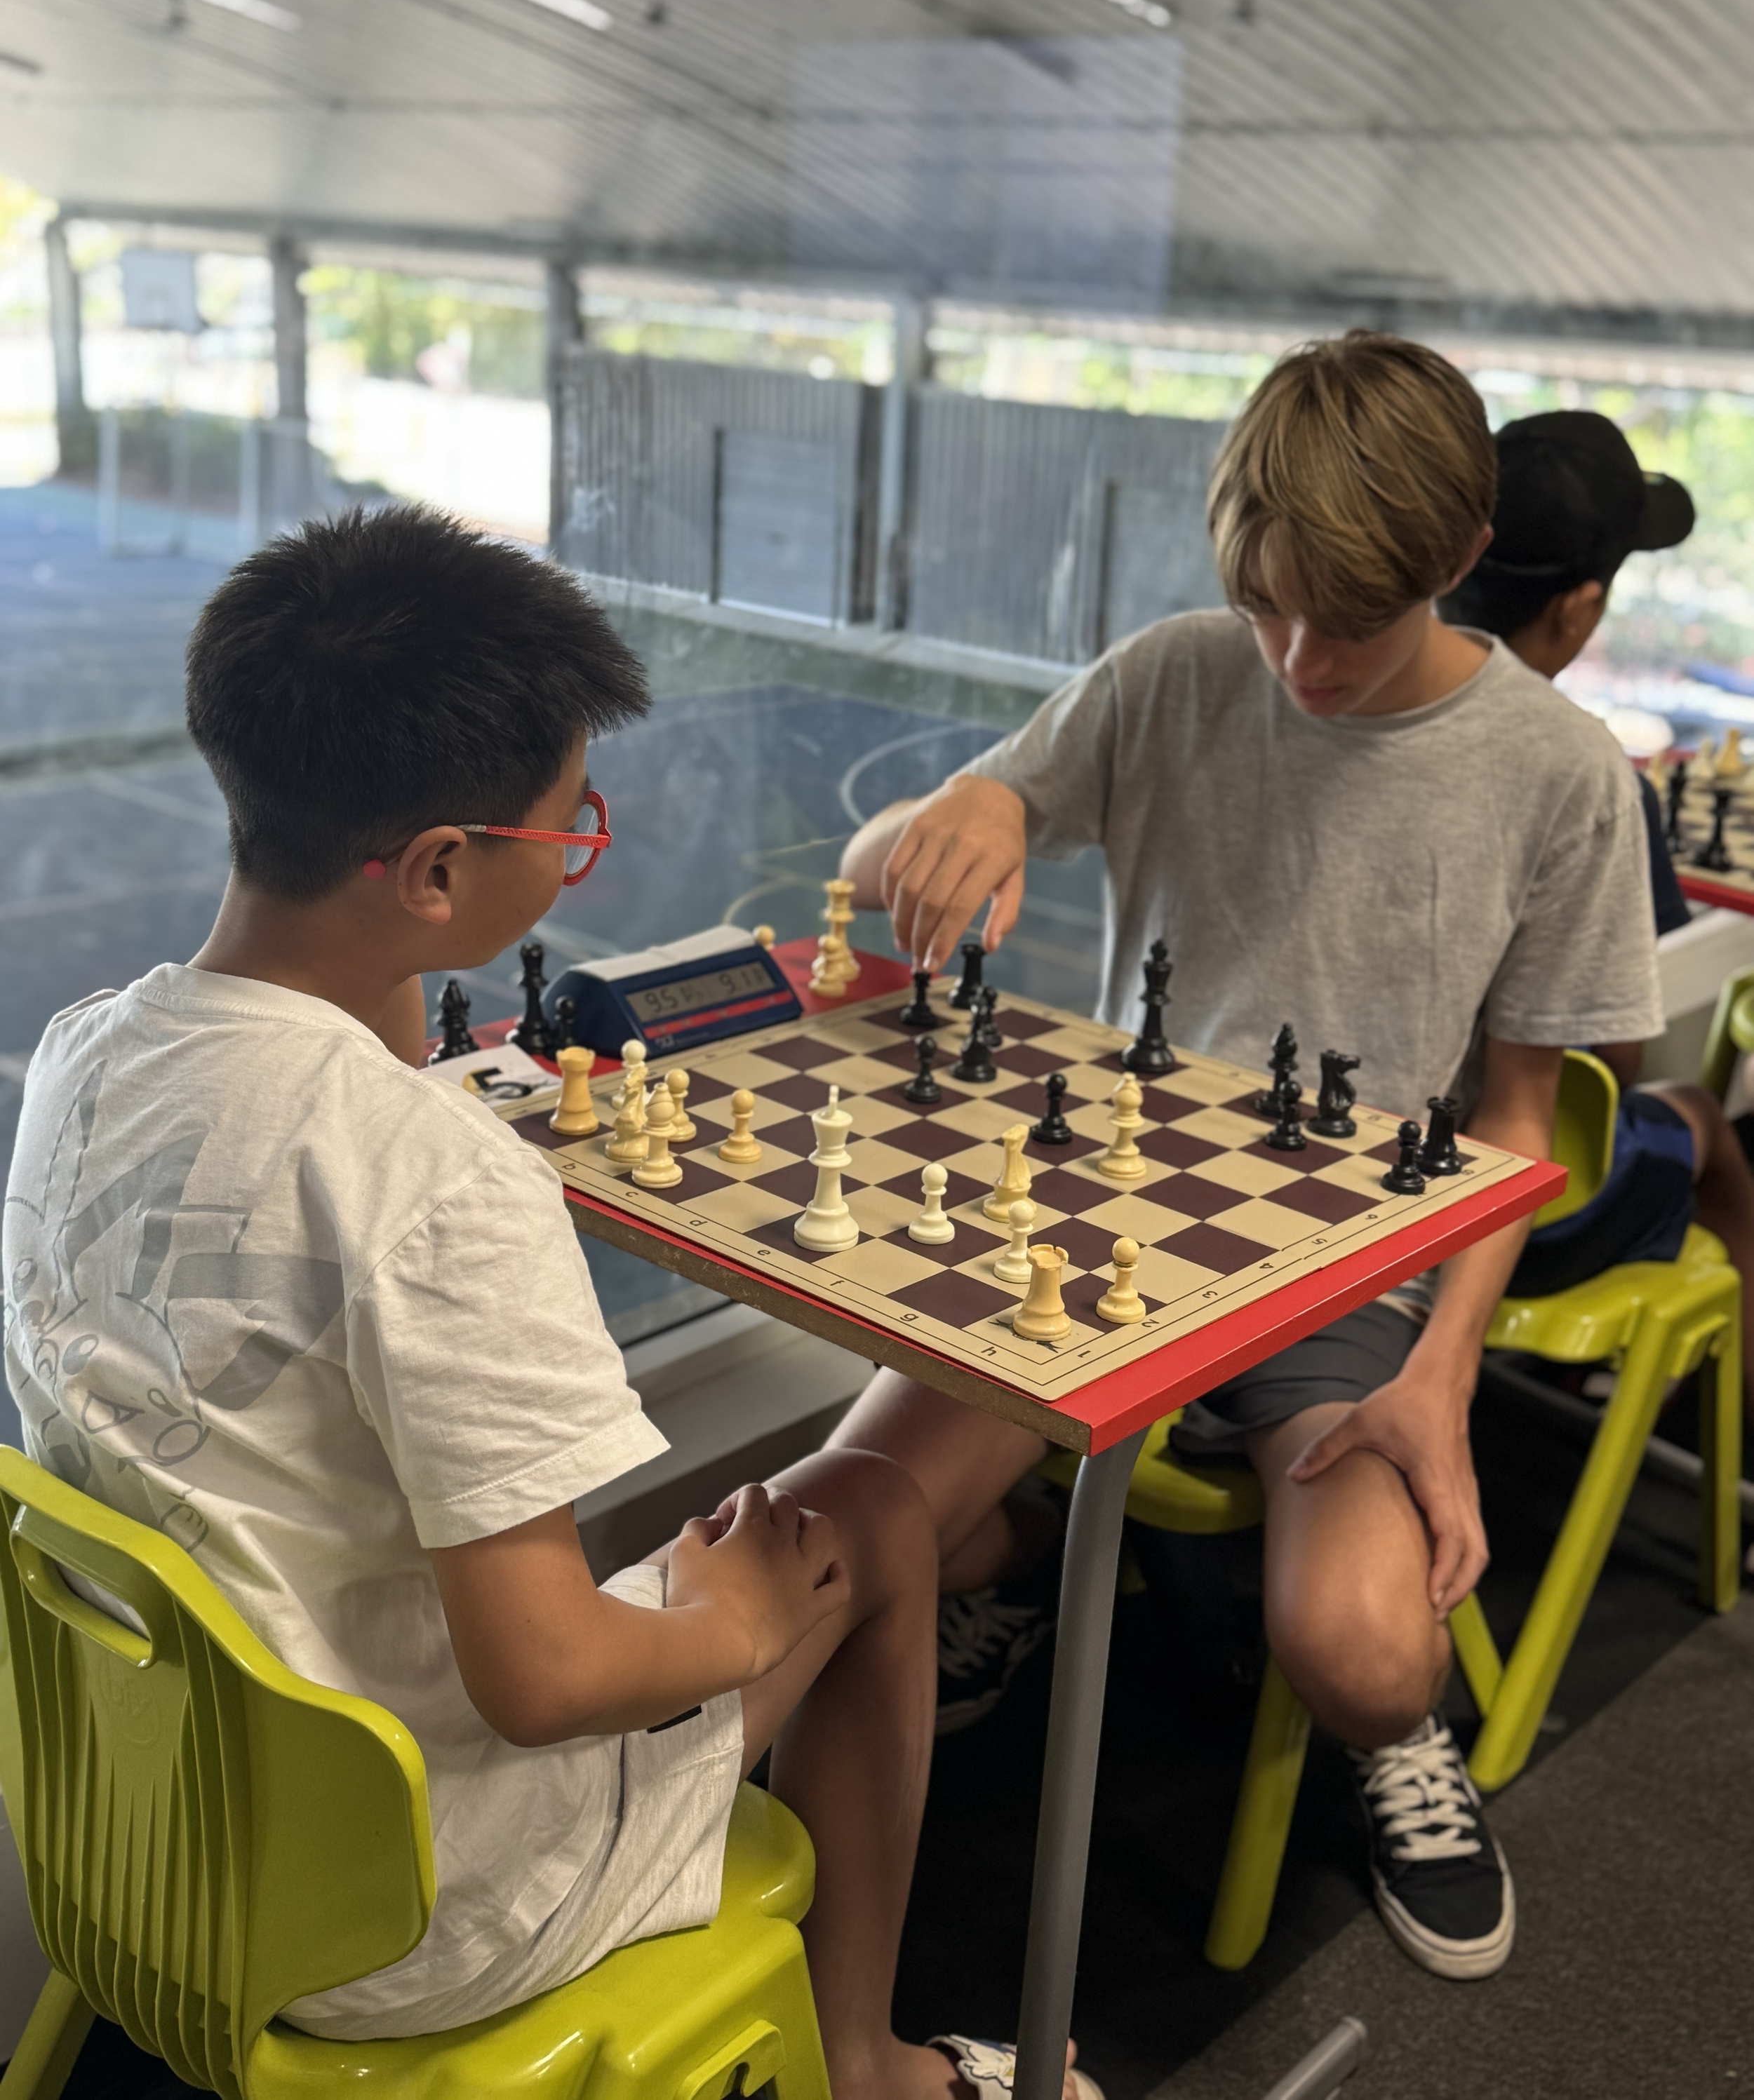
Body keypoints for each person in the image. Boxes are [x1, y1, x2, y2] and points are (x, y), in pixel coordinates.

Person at [1, 507, 1089, 2100]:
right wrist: (727, 1623)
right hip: (427, 1908)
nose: (583, 851)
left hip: (154, 1823)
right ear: (439, 868)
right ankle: (864, 2063)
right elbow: (545, 1676)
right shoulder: (427, 1175)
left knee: (807, 1512)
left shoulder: (85, 1051)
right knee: (855, 1511)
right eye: (567, 832)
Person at [831, 332, 1665, 1983]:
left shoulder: (1555, 772)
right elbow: (876, 874)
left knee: (1360, 1657)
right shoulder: (1169, 672)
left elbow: (1519, 1130)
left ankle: (1153, 1599)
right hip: (1096, 1221)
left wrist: (1439, 1377)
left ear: (1449, 559)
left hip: (1352, 1267)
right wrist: (968, 810)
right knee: (833, 1533)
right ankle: (1060, 1553)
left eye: (1338, 622)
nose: (1291, 658)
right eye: (1262, 605)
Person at [1443, 410, 1754, 1400]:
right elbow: (1607, 1056)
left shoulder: (1365, 722)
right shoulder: (1589, 775)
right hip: (1508, 1202)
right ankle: (1726, 1454)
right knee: (1705, 1116)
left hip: (1332, 1159)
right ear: (1577, 611)